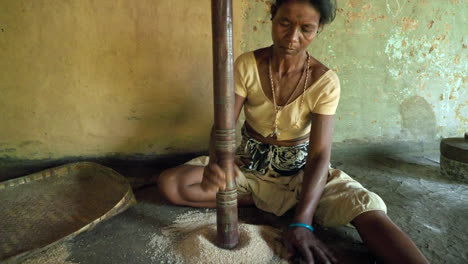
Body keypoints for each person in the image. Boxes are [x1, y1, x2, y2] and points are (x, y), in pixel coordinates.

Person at [157, 0, 429, 263]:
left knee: (367, 209)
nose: (292, 37)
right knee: (172, 184)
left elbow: (320, 154)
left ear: (318, 28)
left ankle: (291, 208)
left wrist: (303, 222)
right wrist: (219, 161)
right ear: (273, 16)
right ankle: (262, 200)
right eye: (284, 23)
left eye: (306, 29)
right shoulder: (247, 65)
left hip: (302, 176)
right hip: (249, 169)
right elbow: (223, 125)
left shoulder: (325, 82)